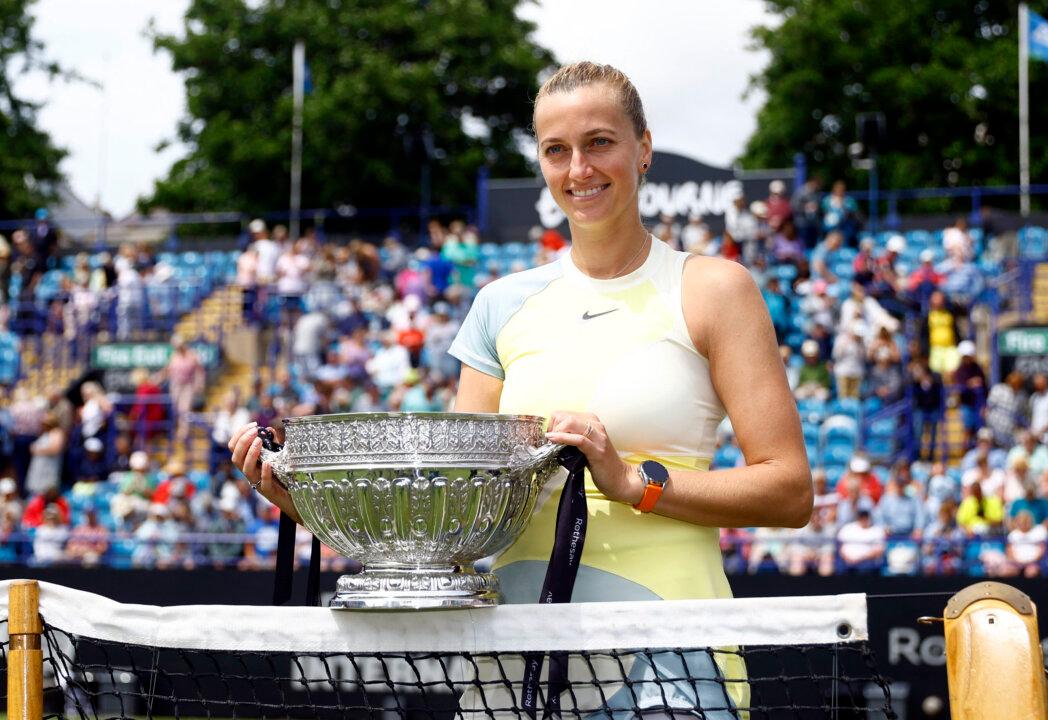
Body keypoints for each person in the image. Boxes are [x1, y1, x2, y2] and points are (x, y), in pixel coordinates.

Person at [231, 60, 812, 717]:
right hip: (516, 663)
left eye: (600, 142)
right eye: (556, 150)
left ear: (643, 148)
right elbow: (444, 527)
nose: (579, 170)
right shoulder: (500, 305)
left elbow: (789, 488)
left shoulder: (715, 288)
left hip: (671, 659)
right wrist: (301, 503)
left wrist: (632, 482)